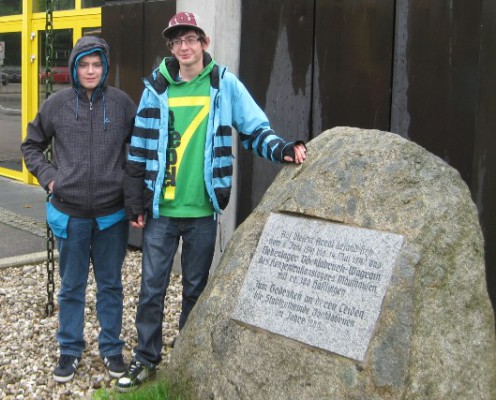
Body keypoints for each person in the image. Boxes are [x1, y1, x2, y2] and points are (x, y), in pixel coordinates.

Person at [117, 11, 307, 392]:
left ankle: (187, 351)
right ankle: (146, 357)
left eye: (191, 39)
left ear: (204, 43)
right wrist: (134, 205)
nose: (184, 47)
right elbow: (137, 152)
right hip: (161, 211)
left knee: (195, 288)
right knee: (151, 288)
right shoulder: (156, 88)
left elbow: (255, 129)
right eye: (176, 41)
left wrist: (283, 149)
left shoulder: (223, 85)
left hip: (203, 211)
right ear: (170, 48)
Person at [21, 35, 136, 383]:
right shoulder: (56, 105)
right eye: (84, 65)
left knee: (111, 284)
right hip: (69, 213)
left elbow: (142, 148)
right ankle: (69, 349)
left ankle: (111, 347)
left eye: (97, 64)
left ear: (105, 67)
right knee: (71, 286)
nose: (90, 71)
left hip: (111, 215)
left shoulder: (121, 104)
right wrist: (51, 178)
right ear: (73, 67)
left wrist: (128, 186)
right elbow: (31, 145)